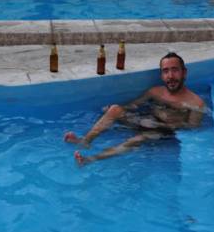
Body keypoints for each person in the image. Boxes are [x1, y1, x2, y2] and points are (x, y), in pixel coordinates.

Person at [64, 52, 205, 165]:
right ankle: (85, 141)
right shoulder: (155, 91)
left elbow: (192, 128)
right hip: (145, 122)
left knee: (138, 138)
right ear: (161, 75)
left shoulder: (196, 103)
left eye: (175, 70)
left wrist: (163, 124)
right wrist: (112, 110)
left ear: (184, 73)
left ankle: (91, 159)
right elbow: (134, 105)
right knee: (115, 109)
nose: (170, 76)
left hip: (163, 132)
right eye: (166, 71)